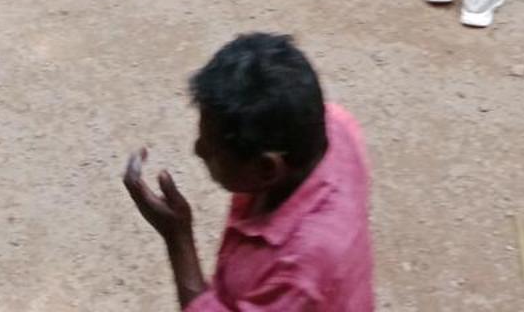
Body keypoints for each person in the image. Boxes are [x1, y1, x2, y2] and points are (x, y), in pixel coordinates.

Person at [123, 32, 373, 311]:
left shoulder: (300, 268)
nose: (198, 150)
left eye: (213, 149)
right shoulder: (335, 128)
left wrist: (177, 238)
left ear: (267, 169)